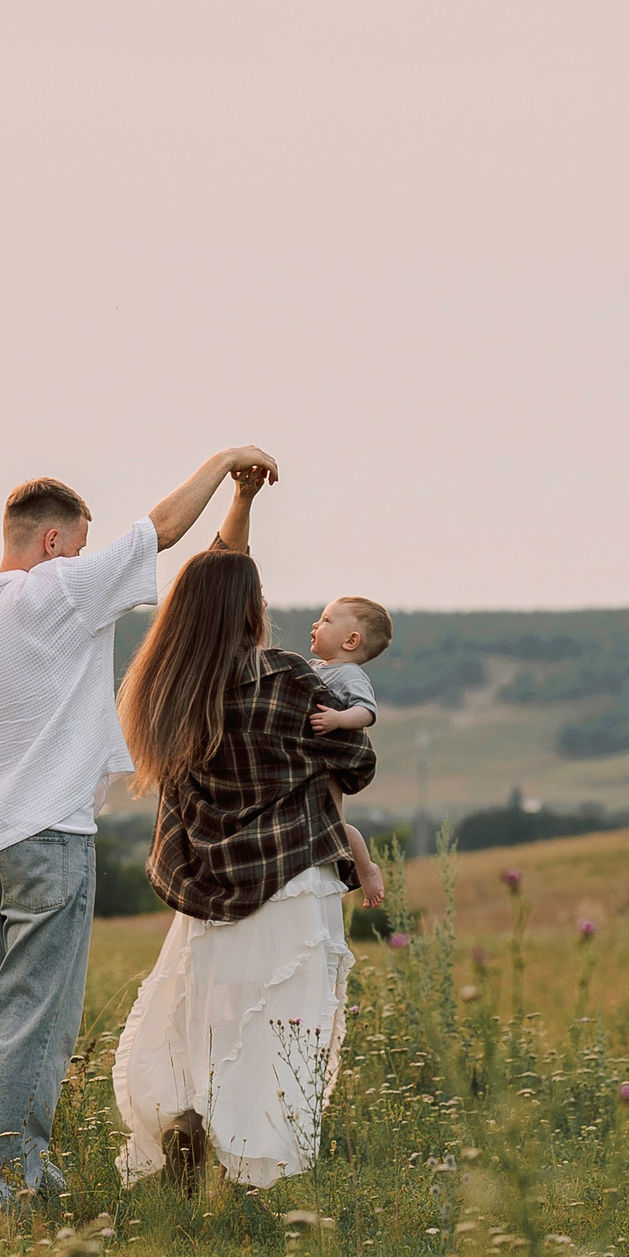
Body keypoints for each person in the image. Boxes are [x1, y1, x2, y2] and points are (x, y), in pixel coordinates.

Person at [0, 444, 281, 1219]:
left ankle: (26, 1167)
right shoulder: (60, 591)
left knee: (1, 1025)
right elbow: (164, 530)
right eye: (80, 540)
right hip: (47, 838)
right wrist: (223, 465)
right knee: (35, 1022)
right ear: (53, 541)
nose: (86, 555)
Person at [111, 469, 385, 1193]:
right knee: (283, 1036)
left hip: (209, 894)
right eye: (257, 596)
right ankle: (254, 1178)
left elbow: (215, 575)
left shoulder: (169, 693)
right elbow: (356, 763)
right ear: (246, 610)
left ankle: (191, 1129)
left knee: (207, 1024)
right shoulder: (290, 678)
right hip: (292, 885)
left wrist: (243, 500)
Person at [306, 595, 393, 735]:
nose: (315, 624)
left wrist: (338, 719)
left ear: (351, 641)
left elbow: (366, 710)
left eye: (326, 620)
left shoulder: (349, 673)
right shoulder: (311, 666)